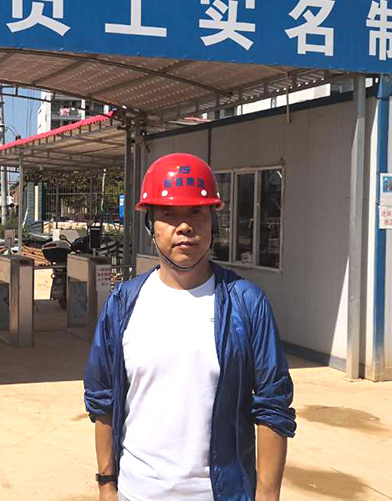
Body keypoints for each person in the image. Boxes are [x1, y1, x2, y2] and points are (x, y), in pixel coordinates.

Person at [84, 153, 296, 501]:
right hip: (138, 492)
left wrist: (267, 495)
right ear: (150, 225)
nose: (184, 226)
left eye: (197, 212)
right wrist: (107, 485)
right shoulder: (122, 304)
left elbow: (273, 405)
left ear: (214, 223)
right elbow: (102, 399)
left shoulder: (247, 303)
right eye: (169, 214)